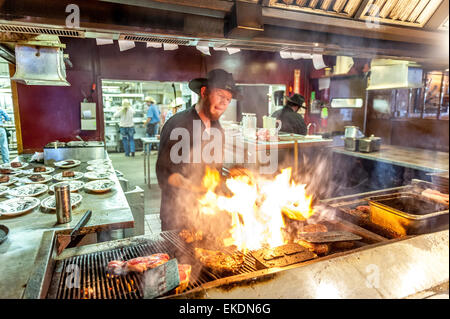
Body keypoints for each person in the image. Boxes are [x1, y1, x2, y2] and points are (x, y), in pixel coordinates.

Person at [156, 69, 241, 231]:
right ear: (204, 92)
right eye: (220, 96)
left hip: (206, 214)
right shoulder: (178, 125)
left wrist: (231, 176)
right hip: (178, 216)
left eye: (228, 99)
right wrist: (196, 187)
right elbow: (165, 175)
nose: (224, 103)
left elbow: (214, 170)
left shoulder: (217, 128)